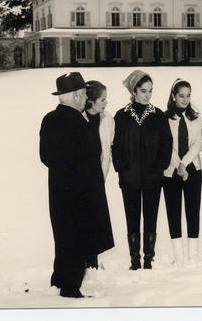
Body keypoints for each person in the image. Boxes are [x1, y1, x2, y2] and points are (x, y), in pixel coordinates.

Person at [39, 72, 114, 298]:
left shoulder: (49, 119)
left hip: (57, 190)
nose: (84, 99)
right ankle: (71, 288)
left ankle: (59, 279)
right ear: (77, 95)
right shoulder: (78, 123)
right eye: (82, 94)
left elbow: (45, 157)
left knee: (62, 235)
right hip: (80, 192)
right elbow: (88, 159)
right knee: (78, 237)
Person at [112, 70, 173, 270]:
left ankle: (148, 258)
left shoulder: (158, 116)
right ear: (134, 91)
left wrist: (160, 166)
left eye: (150, 91)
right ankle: (134, 260)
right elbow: (116, 145)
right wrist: (121, 168)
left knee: (151, 216)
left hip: (153, 178)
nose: (148, 95)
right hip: (129, 177)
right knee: (132, 217)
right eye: (144, 91)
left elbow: (166, 144)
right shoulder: (121, 116)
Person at [163, 79, 202, 264]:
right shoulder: (165, 118)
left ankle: (192, 254)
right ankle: (179, 256)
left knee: (193, 210)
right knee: (174, 211)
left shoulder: (196, 117)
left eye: (188, 95)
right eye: (181, 96)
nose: (185, 99)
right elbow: (166, 145)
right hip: (171, 171)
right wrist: (177, 164)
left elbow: (197, 144)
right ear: (173, 96)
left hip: (192, 169)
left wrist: (184, 164)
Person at [82, 80, 116, 269]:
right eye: (102, 99)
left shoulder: (107, 119)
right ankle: (85, 261)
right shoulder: (80, 120)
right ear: (91, 101)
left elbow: (107, 149)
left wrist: (102, 176)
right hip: (83, 178)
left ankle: (93, 261)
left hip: (99, 175)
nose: (105, 103)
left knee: (97, 219)